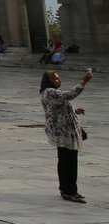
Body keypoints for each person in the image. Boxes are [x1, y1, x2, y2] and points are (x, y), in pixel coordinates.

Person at [40, 68, 93, 203]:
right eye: (56, 78)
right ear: (49, 81)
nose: (59, 80)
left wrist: (74, 111)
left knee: (65, 160)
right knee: (69, 162)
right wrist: (83, 82)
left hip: (63, 131)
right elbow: (70, 95)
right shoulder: (51, 92)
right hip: (63, 132)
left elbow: (57, 109)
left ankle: (66, 189)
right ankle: (70, 191)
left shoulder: (49, 93)